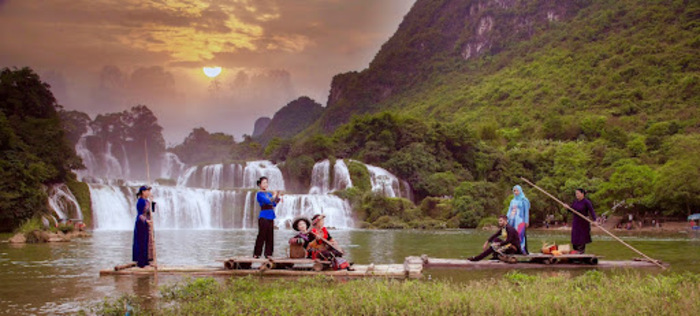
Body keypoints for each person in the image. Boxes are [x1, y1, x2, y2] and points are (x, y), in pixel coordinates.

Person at [253, 176, 281, 258]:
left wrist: (277, 195)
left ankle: (268, 254)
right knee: (261, 235)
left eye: (267, 183)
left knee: (270, 235)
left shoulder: (269, 194)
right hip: (264, 216)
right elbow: (268, 201)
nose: (266, 184)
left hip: (271, 216)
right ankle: (257, 254)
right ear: (260, 184)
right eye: (264, 183)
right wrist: (274, 195)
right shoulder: (259, 194)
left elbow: (274, 204)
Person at [132, 185, 153, 268]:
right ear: (143, 192)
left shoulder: (147, 201)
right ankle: (141, 262)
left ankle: (146, 260)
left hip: (146, 224)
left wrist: (152, 202)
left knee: (146, 241)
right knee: (141, 242)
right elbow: (140, 214)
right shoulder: (141, 201)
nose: (149, 192)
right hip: (141, 223)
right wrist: (146, 221)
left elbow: (151, 211)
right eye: (147, 191)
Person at [570, 188, 596, 253]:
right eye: (576, 194)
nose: (577, 195)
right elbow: (571, 210)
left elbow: (592, 211)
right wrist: (567, 207)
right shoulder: (575, 202)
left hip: (583, 222)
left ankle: (581, 252)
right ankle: (575, 251)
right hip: (576, 221)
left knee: (582, 237)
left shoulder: (586, 202)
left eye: (578, 193)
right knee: (575, 236)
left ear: (582, 194)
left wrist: (595, 220)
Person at [506, 185, 530, 254]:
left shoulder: (524, 200)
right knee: (512, 235)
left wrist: (526, 221)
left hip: (520, 220)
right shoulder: (512, 201)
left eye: (517, 191)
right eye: (514, 191)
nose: (516, 192)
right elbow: (509, 211)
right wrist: (507, 219)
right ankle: (514, 249)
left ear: (520, 191)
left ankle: (522, 249)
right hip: (512, 220)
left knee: (521, 234)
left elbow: (526, 212)